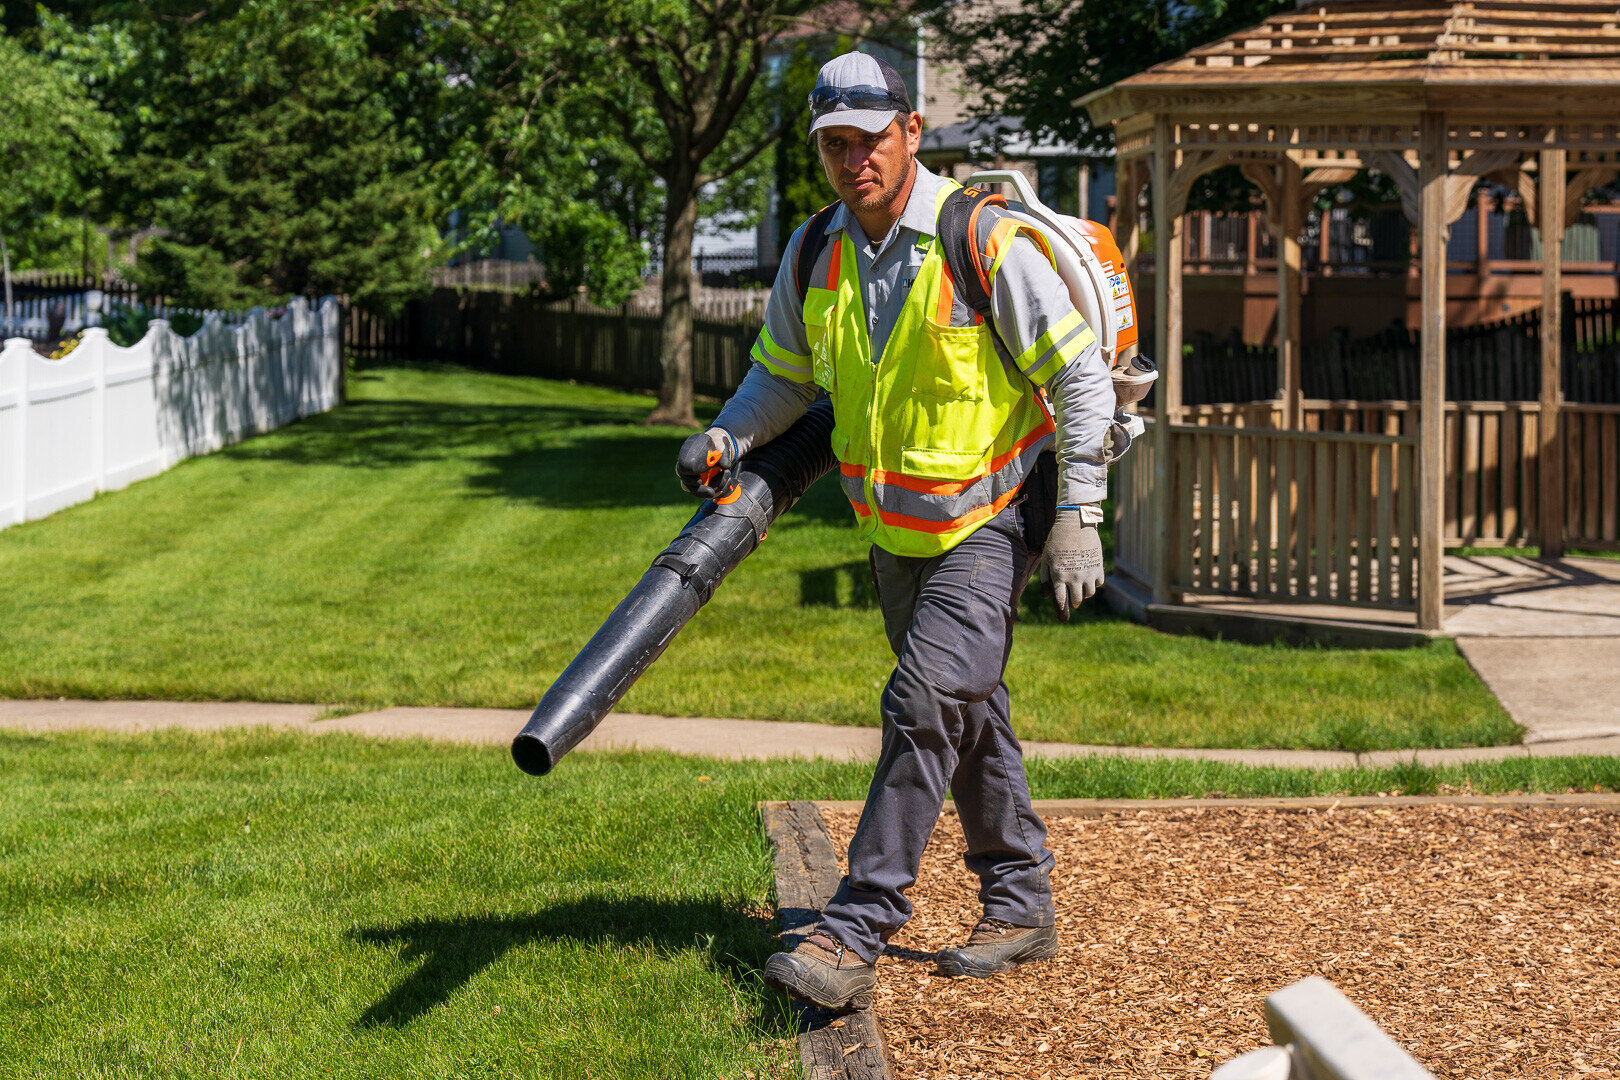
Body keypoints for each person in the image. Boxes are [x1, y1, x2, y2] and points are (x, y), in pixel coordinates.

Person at [674, 51, 1115, 1010]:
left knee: (921, 706)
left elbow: (1081, 375)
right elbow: (783, 380)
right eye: (835, 144)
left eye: (869, 140)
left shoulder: (982, 239)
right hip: (895, 534)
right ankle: (1021, 901)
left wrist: (1080, 513)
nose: (853, 160)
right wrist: (725, 433)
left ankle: (852, 931)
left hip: (994, 518)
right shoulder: (815, 250)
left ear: (909, 132)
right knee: (965, 713)